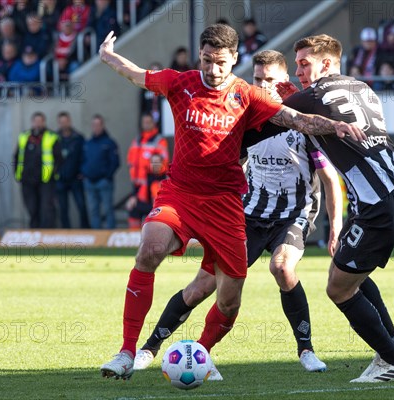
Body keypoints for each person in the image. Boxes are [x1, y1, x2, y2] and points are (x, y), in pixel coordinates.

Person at [97, 24, 364, 381]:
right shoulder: (180, 83)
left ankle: (202, 353)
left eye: (220, 62)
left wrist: (335, 125)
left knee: (228, 301)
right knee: (149, 248)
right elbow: (135, 75)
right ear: (200, 56)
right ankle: (128, 352)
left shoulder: (248, 96)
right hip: (181, 193)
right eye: (207, 61)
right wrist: (107, 56)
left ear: (234, 59)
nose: (212, 70)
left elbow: (297, 119)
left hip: (226, 205)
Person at [273, 33, 394, 383]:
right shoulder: (363, 87)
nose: (298, 70)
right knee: (349, 271)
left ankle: (392, 360)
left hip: (376, 205)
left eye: (304, 63)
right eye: (296, 64)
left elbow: (271, 116)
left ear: (326, 63)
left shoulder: (313, 95)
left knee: (338, 288)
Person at [13, 111, 62, 229]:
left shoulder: (52, 137)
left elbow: (59, 159)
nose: (38, 124)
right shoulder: (24, 136)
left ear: (44, 122)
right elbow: (16, 156)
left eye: (40, 121)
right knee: (32, 208)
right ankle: (34, 233)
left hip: (46, 180)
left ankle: (48, 233)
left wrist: (54, 173)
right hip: (27, 180)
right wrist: (17, 174)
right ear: (32, 122)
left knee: (46, 208)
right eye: (36, 121)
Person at [125, 113, 169, 229]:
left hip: (154, 187)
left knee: (156, 214)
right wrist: (135, 193)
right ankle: (133, 240)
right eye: (144, 122)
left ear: (153, 123)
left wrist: (151, 169)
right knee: (132, 208)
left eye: (149, 122)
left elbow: (162, 166)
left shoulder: (159, 141)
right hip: (139, 188)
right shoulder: (137, 140)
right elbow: (130, 162)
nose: (146, 124)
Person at [81, 114, 120, 229]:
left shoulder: (110, 143)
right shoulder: (88, 143)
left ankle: (111, 235)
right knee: (93, 210)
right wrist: (85, 173)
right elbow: (82, 160)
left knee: (108, 209)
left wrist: (107, 176)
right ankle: (96, 236)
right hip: (89, 182)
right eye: (94, 125)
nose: (96, 127)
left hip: (104, 182)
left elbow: (115, 162)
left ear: (102, 125)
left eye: (98, 124)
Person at [55, 111, 89, 229]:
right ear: (58, 123)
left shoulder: (78, 138)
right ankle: (66, 233)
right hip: (60, 179)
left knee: (82, 206)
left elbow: (85, 157)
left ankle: (86, 231)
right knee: (63, 209)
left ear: (69, 121)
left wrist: (82, 172)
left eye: (66, 121)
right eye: (61, 122)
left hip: (75, 179)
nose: (64, 124)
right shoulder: (54, 139)